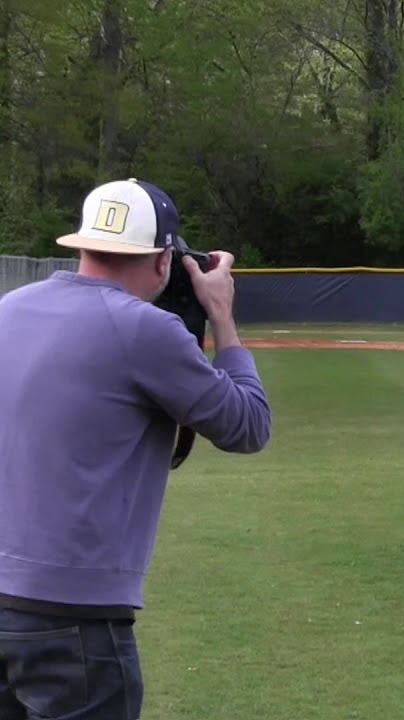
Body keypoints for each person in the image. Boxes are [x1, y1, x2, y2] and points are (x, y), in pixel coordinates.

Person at [0, 178, 272, 718]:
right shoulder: (144, 330)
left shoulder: (10, 308)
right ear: (164, 258)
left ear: (82, 244)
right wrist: (220, 313)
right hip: (73, 613)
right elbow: (248, 425)